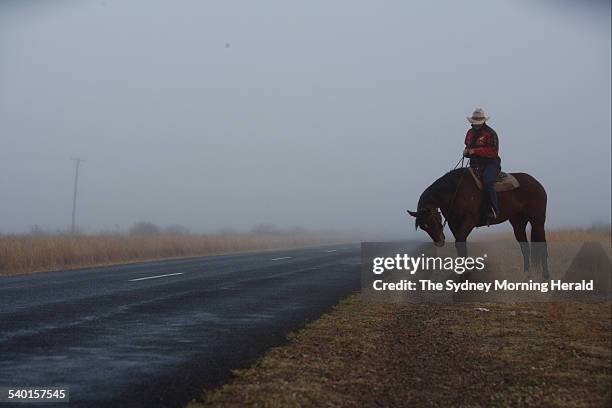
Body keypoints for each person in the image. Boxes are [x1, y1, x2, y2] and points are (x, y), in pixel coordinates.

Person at [463, 108, 501, 220]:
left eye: (478, 123)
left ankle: (494, 209)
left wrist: (475, 151)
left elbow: (493, 151)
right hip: (475, 164)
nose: (476, 125)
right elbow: (468, 146)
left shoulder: (491, 133)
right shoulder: (470, 133)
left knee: (488, 181)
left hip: (491, 164)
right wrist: (466, 152)